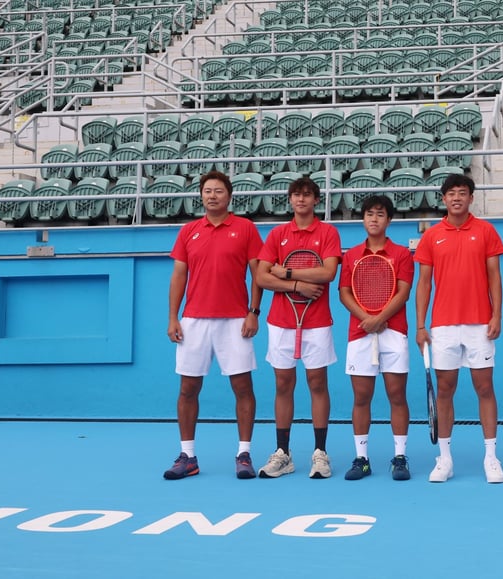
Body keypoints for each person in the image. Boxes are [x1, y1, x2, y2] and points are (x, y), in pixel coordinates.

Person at [164, 170, 263, 480]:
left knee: (242, 387)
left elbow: (258, 273)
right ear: (201, 195)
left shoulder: (246, 229)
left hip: (236, 320)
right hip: (193, 321)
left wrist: (253, 312)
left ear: (229, 196)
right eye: (207, 191)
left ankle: (244, 453)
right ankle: (188, 456)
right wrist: (173, 317)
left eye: (218, 191)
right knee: (188, 388)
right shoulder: (189, 231)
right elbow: (179, 275)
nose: (212, 195)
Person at [414, 173, 503, 483]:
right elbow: (424, 282)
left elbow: (495, 276)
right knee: (445, 390)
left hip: (480, 324)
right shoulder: (431, 236)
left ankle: (491, 458)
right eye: (451, 193)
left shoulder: (486, 231)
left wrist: (497, 316)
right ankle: (445, 459)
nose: (457, 198)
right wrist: (420, 325)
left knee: (485, 388)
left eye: (462, 193)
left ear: (471, 198)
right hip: (443, 327)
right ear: (443, 199)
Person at [254, 176, 341, 479]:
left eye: (307, 195)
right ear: (290, 199)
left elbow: (328, 272)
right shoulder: (278, 233)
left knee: (317, 383)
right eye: (296, 195)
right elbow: (262, 278)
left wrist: (288, 270)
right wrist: (296, 286)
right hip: (281, 321)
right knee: (283, 384)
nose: (301, 200)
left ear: (316, 200)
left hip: (316, 323)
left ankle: (320, 453)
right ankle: (283, 453)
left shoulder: (328, 232)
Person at [338, 195, 415, 481]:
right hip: (360, 333)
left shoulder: (402, 254)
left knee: (397, 395)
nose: (374, 219)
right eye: (369, 214)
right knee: (361, 397)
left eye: (380, 214)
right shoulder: (351, 255)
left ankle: (400, 456)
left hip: (393, 332)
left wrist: (380, 318)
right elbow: (344, 292)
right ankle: (362, 458)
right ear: (363, 219)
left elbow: (403, 291)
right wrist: (365, 319)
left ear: (389, 220)